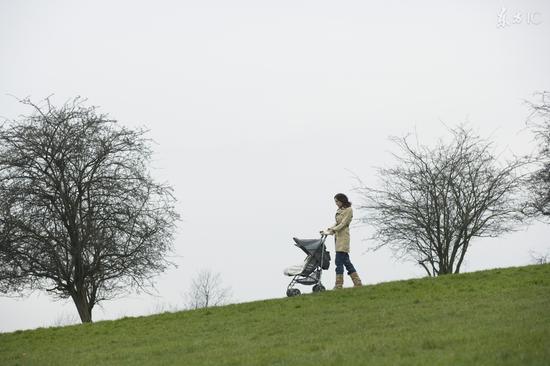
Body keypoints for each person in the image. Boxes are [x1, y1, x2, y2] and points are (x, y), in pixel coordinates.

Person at [320, 193, 363, 289]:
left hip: (343, 238)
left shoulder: (349, 210)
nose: (336, 203)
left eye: (337, 201)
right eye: (335, 201)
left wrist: (333, 230)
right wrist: (328, 229)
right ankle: (357, 282)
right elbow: (337, 222)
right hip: (338, 238)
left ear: (342, 200)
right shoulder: (339, 210)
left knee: (338, 261)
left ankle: (339, 285)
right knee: (346, 262)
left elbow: (344, 223)